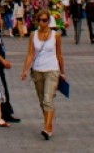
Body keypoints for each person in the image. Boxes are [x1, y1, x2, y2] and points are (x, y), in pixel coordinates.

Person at [21, 9, 66, 141]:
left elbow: (59, 54)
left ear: (49, 21)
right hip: (37, 70)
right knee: (42, 101)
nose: (42, 23)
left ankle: (47, 128)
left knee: (48, 100)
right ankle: (49, 125)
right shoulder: (33, 35)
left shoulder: (55, 35)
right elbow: (30, 54)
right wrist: (24, 70)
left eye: (45, 20)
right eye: (40, 20)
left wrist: (62, 71)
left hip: (52, 70)